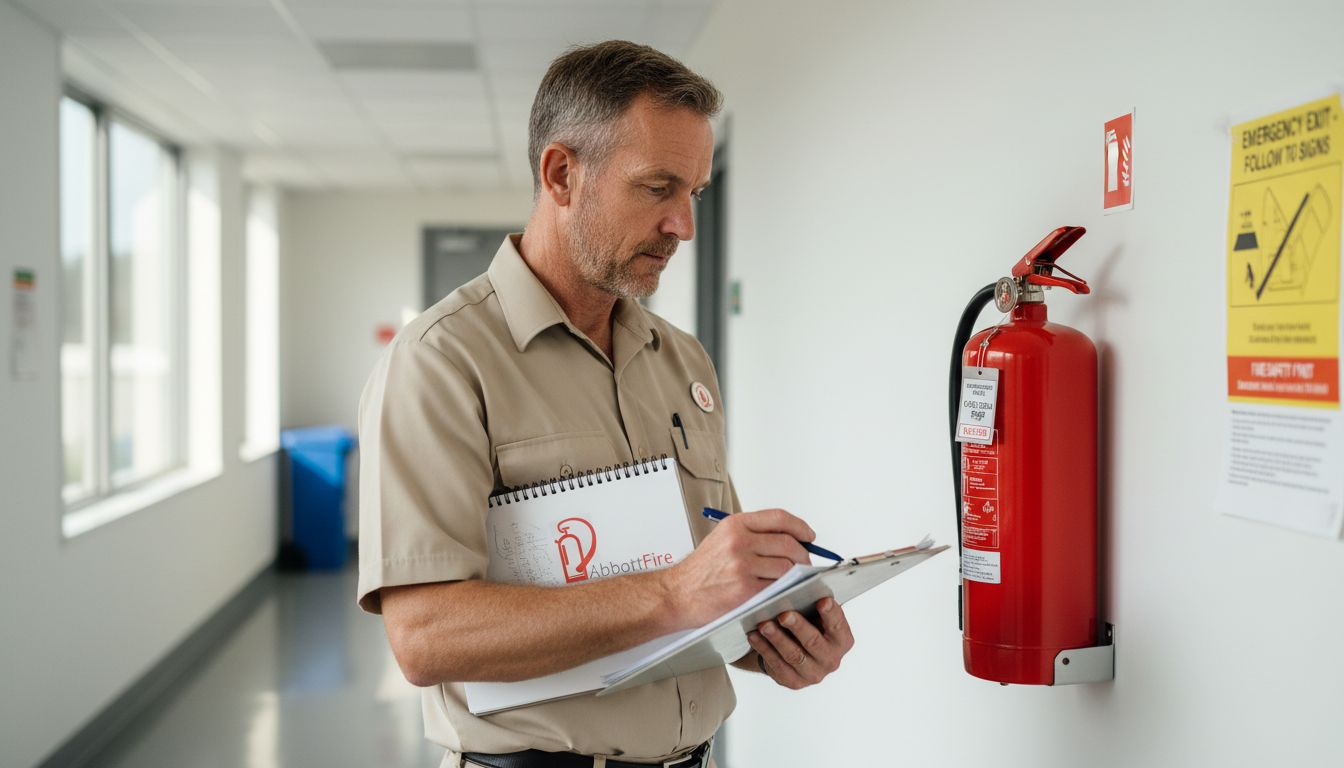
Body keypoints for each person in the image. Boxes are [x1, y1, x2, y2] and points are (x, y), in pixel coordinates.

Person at [357, 40, 855, 768]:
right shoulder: (440, 361)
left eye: (695, 193)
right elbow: (426, 638)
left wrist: (773, 636)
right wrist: (673, 594)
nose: (683, 225)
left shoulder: (680, 359)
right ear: (561, 174)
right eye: (657, 188)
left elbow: (697, 596)